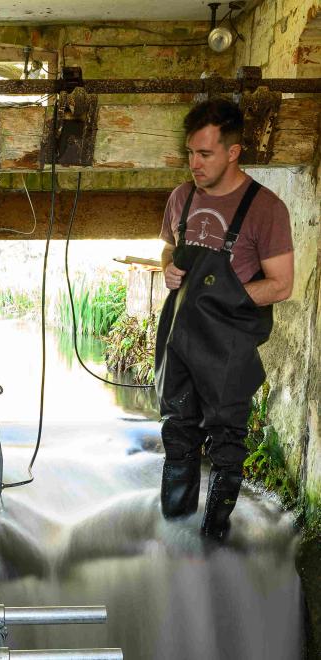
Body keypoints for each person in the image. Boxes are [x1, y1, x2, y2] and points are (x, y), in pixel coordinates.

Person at [155, 98, 294, 541]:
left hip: (228, 344)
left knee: (227, 441)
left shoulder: (266, 208)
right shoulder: (181, 197)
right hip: (178, 338)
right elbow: (166, 248)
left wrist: (221, 298)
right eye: (190, 153)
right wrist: (168, 266)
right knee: (178, 431)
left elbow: (281, 284)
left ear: (232, 152)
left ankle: (214, 538)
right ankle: (173, 533)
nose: (193, 164)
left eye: (205, 154)